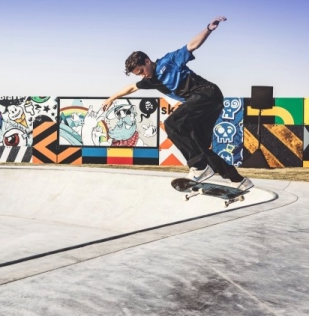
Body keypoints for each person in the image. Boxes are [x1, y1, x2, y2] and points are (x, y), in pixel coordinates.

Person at [101, 16, 253, 191]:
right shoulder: (150, 80)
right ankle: (237, 179)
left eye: (142, 70)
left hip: (207, 93)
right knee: (199, 145)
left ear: (148, 62)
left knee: (172, 124)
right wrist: (112, 98)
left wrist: (209, 28)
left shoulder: (169, 60)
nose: (143, 75)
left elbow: (192, 45)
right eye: (138, 74)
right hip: (207, 103)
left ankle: (199, 168)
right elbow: (131, 88)